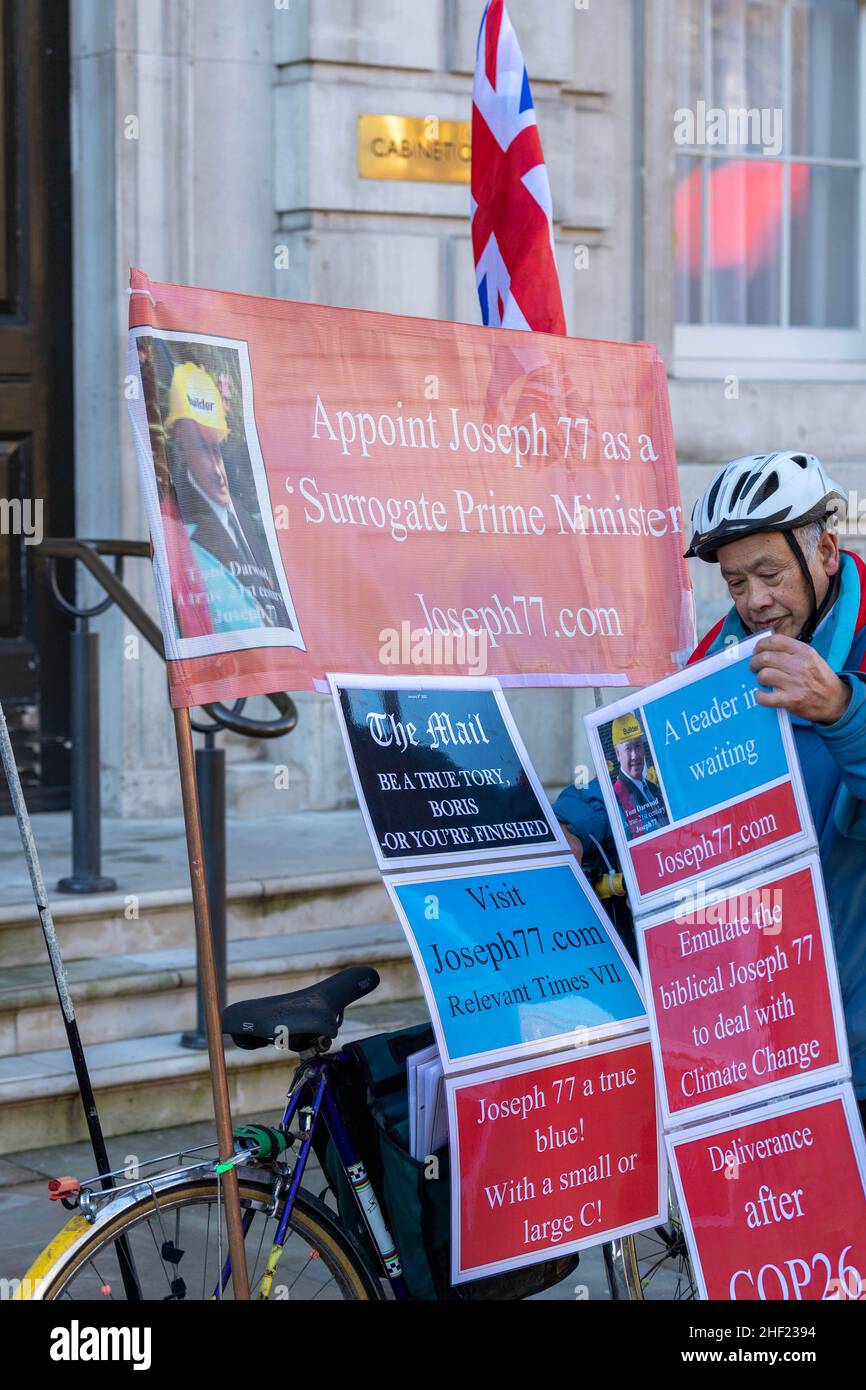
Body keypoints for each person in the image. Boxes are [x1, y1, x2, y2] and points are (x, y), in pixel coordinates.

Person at [554, 451, 866, 1129]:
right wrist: (573, 823)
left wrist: (844, 708)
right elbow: (645, 772)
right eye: (734, 582)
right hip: (768, 1017)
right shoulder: (724, 653)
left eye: (769, 574)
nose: (754, 601)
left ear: (828, 552)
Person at [164, 361, 291, 629]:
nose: (217, 469)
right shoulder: (180, 526)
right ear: (181, 446)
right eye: (202, 449)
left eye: (216, 450)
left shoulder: (241, 515)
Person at [608, 713, 668, 839]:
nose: (635, 755)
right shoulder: (617, 798)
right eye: (628, 749)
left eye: (637, 746)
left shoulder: (653, 788)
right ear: (618, 754)